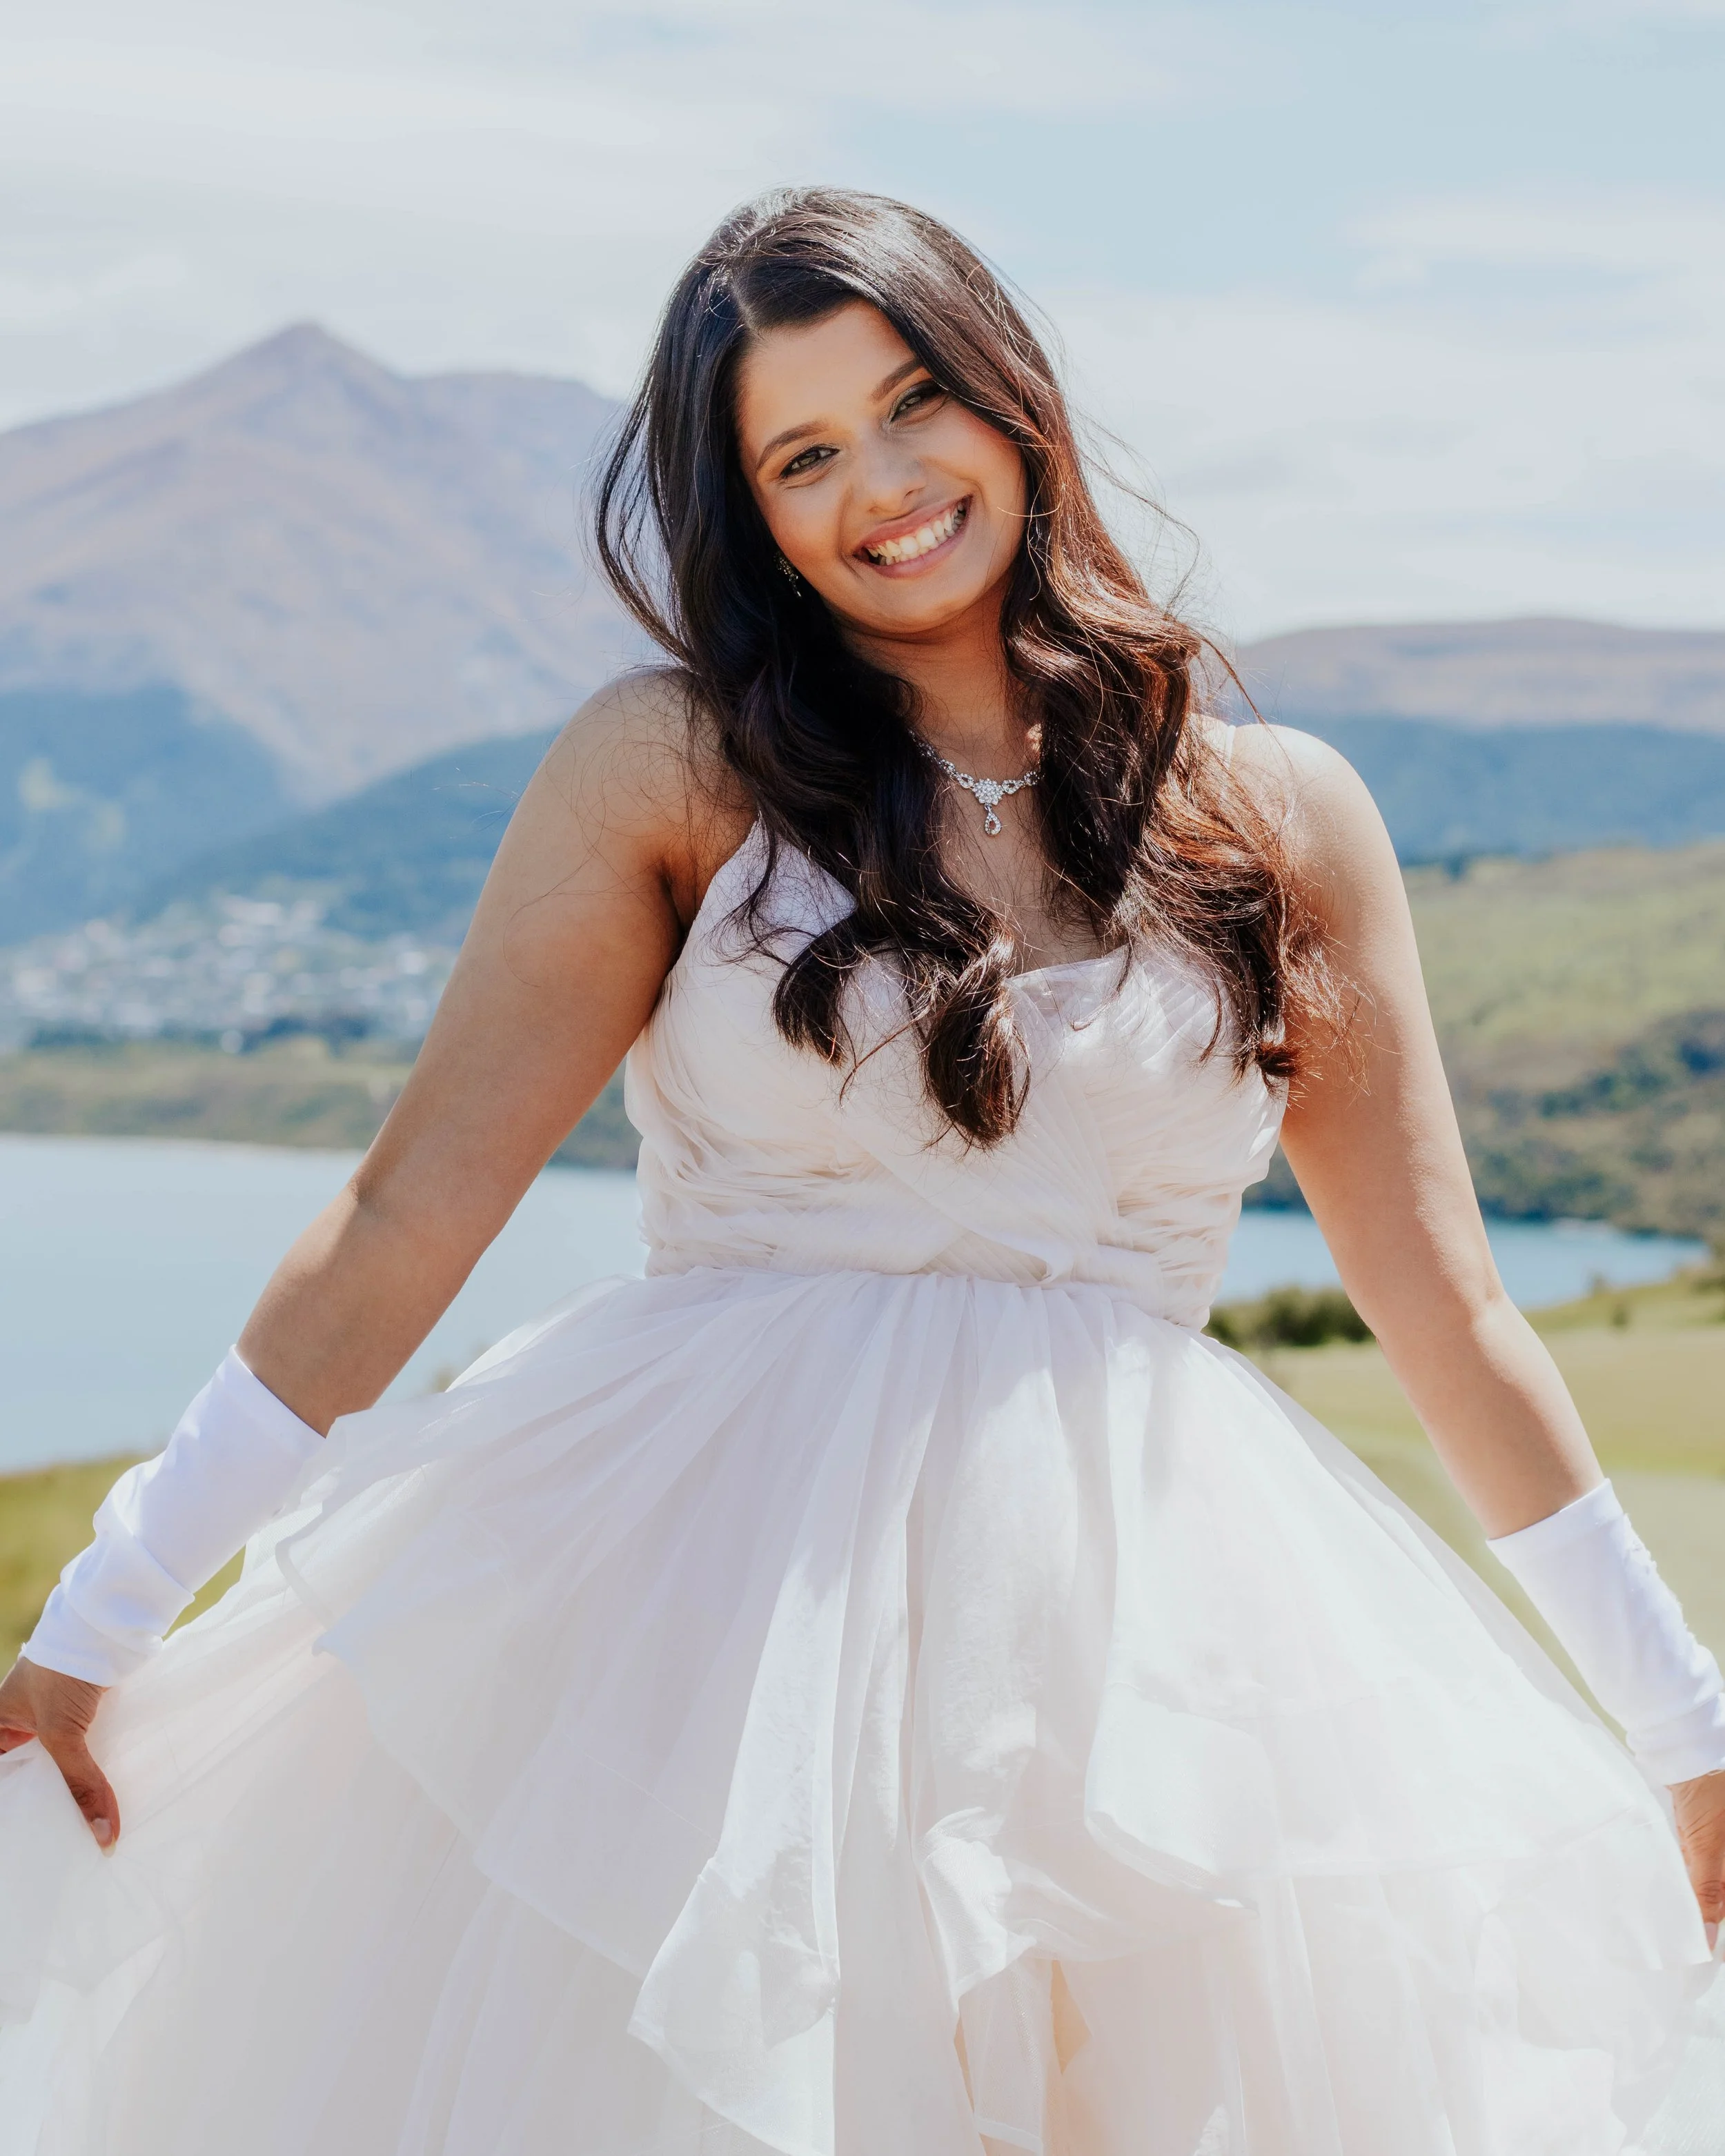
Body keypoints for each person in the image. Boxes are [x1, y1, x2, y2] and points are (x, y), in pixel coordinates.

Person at [1, 186, 1722, 2156]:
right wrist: (104, 1612)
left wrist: (1688, 1727)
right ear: (748, 514)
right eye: (803, 455)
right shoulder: (673, 764)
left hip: (1138, 1656)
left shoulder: (1272, 812)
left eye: (916, 404)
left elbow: (1448, 1302)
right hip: (698, 1633)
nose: (885, 486)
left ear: (1012, 397)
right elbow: (400, 1219)